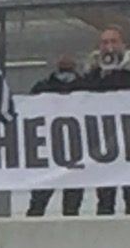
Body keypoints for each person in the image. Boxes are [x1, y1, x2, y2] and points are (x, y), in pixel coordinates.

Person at [80, 26, 130, 215]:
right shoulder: (93, 72)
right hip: (104, 142)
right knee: (105, 197)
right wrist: (103, 75)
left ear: (123, 44)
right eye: (105, 42)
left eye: (113, 42)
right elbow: (84, 99)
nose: (109, 47)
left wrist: (120, 74)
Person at [26, 53, 86, 217]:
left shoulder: (85, 86)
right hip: (49, 149)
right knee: (39, 201)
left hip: (76, 150)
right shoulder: (43, 87)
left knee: (72, 204)